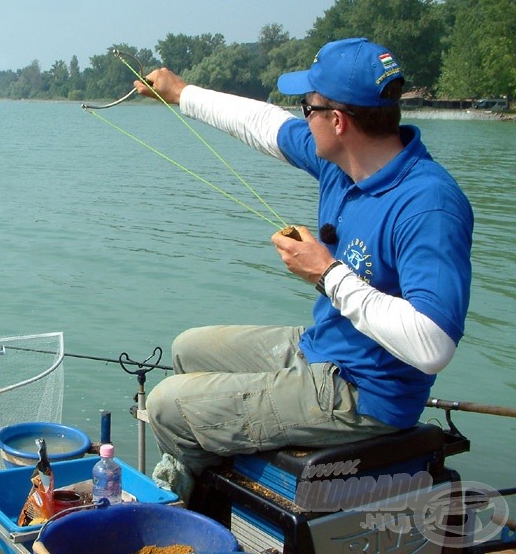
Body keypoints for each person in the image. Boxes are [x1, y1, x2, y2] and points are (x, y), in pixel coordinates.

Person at [136, 38, 473, 503]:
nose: (302, 117)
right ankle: (217, 472)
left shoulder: (428, 205)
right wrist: (181, 93)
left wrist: (327, 274)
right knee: (188, 349)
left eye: (307, 106)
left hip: (365, 394)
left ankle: (200, 510)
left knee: (166, 406)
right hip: (324, 347)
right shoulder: (341, 162)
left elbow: (434, 344)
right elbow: (263, 123)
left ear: (338, 121)